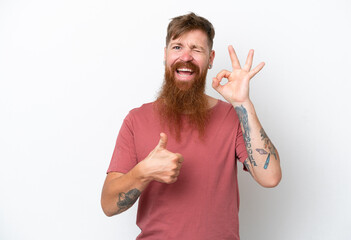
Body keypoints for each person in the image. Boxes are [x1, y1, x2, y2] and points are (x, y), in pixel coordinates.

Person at [101, 12, 281, 240]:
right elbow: (108, 205)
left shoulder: (231, 116)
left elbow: (270, 177)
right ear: (165, 54)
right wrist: (143, 172)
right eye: (177, 47)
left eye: (196, 49)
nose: (185, 56)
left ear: (211, 58)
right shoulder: (136, 119)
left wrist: (242, 103)